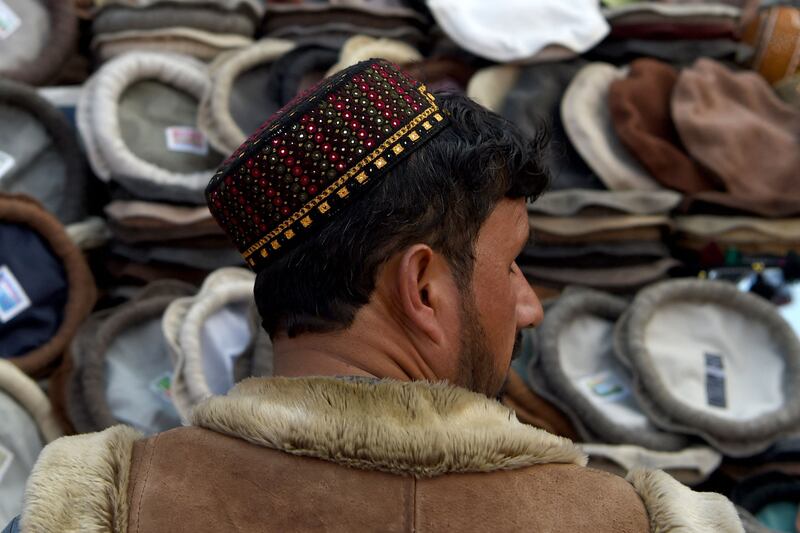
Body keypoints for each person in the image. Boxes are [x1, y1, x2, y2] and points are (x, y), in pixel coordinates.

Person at [6, 59, 743, 532]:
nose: (529, 306)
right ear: (423, 286)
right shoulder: (643, 521)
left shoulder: (102, 504)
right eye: (512, 265)